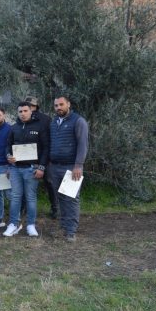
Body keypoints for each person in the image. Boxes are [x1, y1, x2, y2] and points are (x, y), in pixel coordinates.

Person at [3, 102, 49, 238]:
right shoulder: (14, 128)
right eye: (20, 111)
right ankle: (13, 224)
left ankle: (30, 225)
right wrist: (8, 156)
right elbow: (8, 146)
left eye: (25, 111)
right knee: (15, 197)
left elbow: (46, 148)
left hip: (32, 169)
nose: (22, 114)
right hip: (16, 169)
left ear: (31, 111)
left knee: (30, 198)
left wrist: (41, 167)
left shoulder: (39, 127)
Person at [48, 96, 89, 242]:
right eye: (56, 105)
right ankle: (64, 226)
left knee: (71, 198)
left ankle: (71, 231)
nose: (58, 107)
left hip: (71, 167)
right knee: (60, 199)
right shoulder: (54, 123)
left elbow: (83, 145)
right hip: (55, 167)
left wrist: (78, 165)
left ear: (68, 104)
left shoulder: (78, 121)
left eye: (61, 104)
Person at [26, 96, 58, 219]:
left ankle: (55, 208)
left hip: (45, 157)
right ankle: (24, 208)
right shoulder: (22, 119)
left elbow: (51, 138)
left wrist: (48, 158)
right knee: (26, 184)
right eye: (27, 106)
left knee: (50, 183)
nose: (29, 108)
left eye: (31, 106)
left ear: (36, 106)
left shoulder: (46, 119)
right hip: (27, 158)